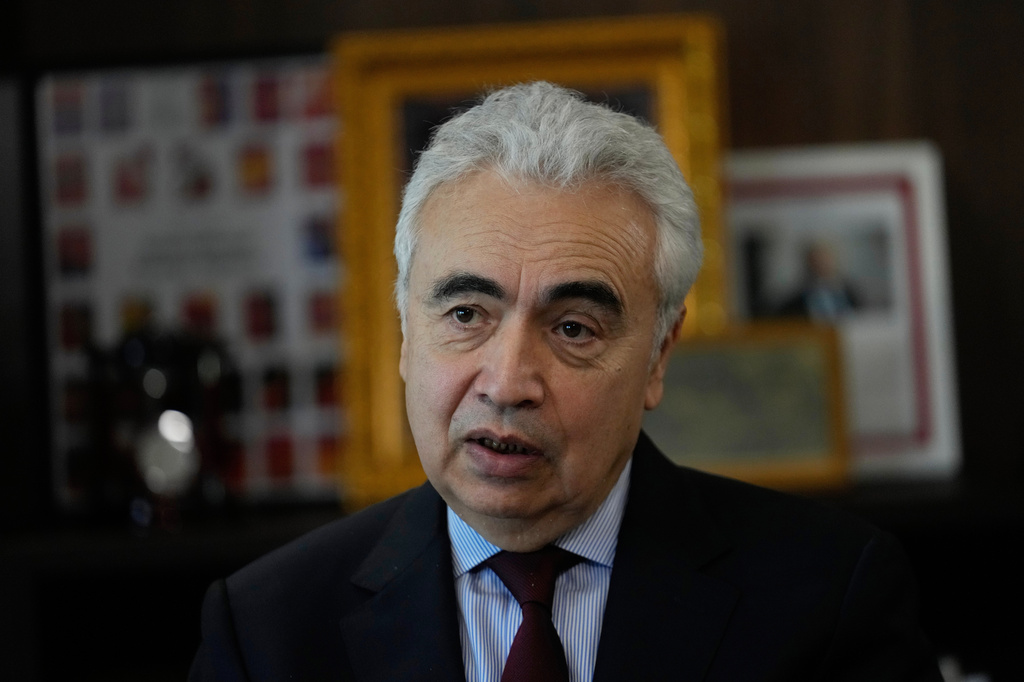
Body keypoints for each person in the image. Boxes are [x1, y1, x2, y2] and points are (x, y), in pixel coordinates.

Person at [190, 82, 942, 681]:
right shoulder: (268, 630)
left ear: (657, 358)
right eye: (465, 313)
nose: (509, 382)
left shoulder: (831, 599)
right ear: (404, 332)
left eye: (573, 328)